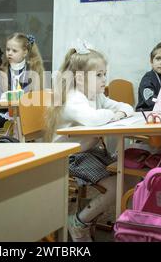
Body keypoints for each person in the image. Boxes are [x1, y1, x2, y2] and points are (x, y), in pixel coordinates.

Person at [45, 44, 134, 242]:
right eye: (99, 75)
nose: (105, 80)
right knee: (117, 186)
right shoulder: (73, 98)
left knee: (126, 177)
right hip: (69, 156)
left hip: (89, 151)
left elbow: (127, 107)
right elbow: (94, 120)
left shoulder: (97, 96)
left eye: (105, 74)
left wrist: (115, 113)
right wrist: (115, 115)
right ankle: (79, 222)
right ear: (79, 78)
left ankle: (96, 217)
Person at [0, 33, 45, 129]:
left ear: (25, 52)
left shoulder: (33, 71)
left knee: (33, 123)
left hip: (26, 111)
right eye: (8, 50)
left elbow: (36, 98)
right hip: (6, 111)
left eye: (14, 51)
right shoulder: (2, 71)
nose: (9, 53)